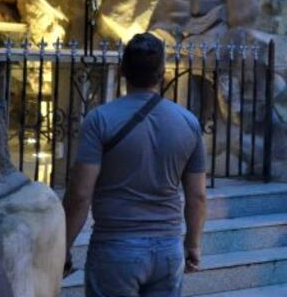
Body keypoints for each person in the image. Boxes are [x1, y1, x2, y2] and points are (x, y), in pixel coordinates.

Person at [63, 33, 207, 297]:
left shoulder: (99, 120)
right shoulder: (188, 122)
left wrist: (64, 247)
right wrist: (193, 244)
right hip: (168, 249)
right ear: (163, 73)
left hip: (115, 248)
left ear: (121, 70)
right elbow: (197, 196)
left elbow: (80, 196)